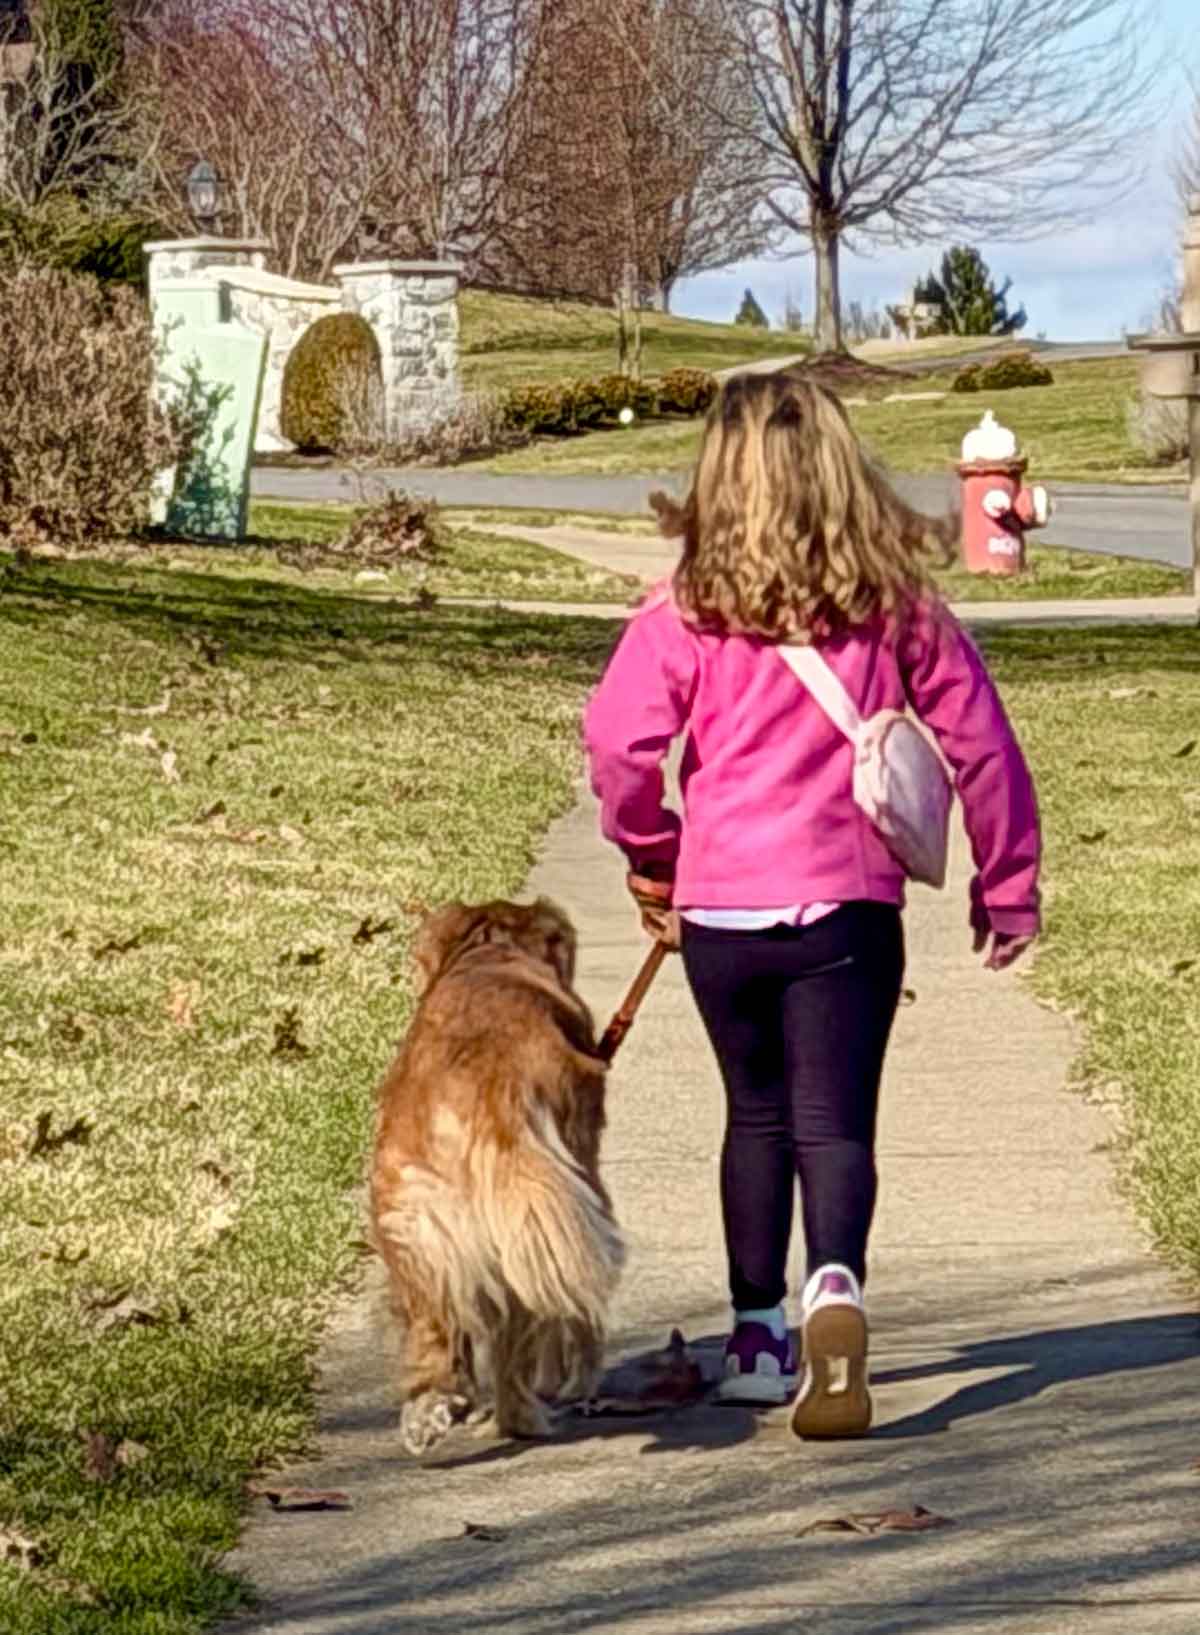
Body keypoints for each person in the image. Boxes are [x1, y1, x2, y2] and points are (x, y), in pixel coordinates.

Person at [583, 370, 1040, 1439]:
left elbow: (617, 744)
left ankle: (754, 1336)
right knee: (835, 1123)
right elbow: (982, 744)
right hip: (846, 910)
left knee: (754, 1117)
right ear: (845, 474)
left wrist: (655, 847)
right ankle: (835, 1287)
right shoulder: (898, 605)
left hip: (723, 913)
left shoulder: (685, 607)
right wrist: (1005, 881)